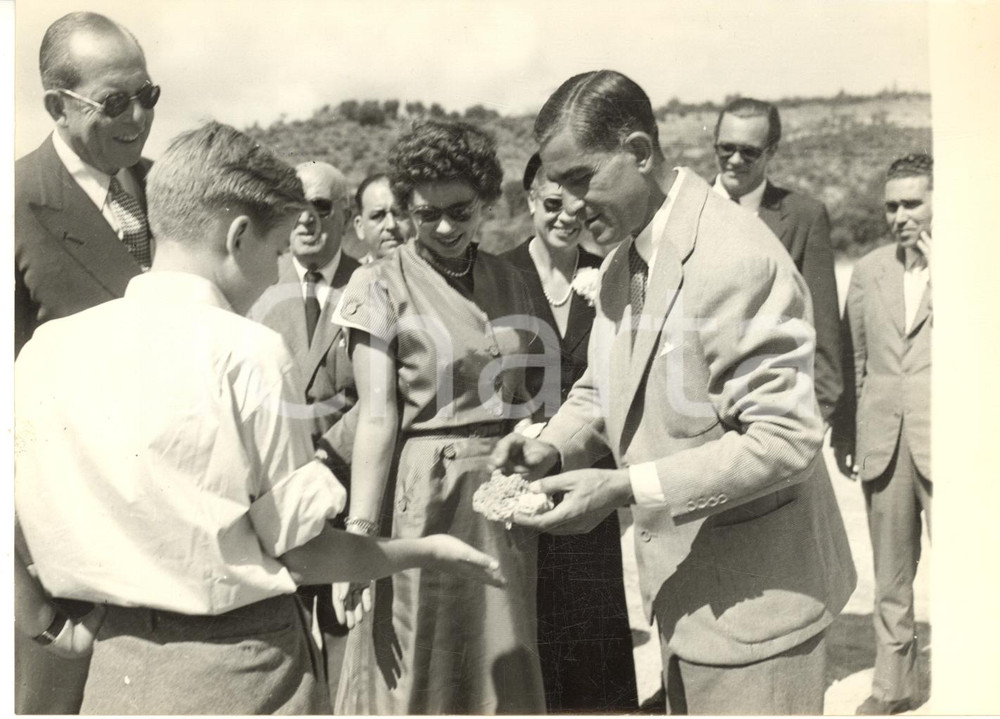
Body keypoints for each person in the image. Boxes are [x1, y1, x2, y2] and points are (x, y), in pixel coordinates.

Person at [13, 121, 506, 715]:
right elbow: (306, 553)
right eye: (276, 252)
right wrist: (425, 551)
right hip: (244, 667)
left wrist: (40, 621)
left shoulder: (48, 348)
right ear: (239, 236)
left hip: (112, 669)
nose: (276, 274)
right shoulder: (246, 350)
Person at [491, 70, 856, 715]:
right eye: (559, 186)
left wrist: (625, 489)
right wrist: (546, 448)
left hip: (759, 616)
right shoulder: (622, 258)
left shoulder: (732, 258)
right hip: (687, 603)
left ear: (637, 151)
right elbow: (605, 384)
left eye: (582, 179)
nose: (570, 207)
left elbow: (787, 440)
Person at [332, 119, 546, 714]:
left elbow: (531, 396)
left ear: (486, 204)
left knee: (498, 662)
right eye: (428, 214)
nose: (447, 227)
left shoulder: (509, 280)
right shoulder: (378, 283)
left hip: (501, 499)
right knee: (417, 664)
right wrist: (359, 542)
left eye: (462, 210)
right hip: (423, 499)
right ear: (405, 209)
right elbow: (376, 419)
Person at [13, 11, 159, 712]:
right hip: (63, 564)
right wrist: (21, 588)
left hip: (172, 550)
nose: (138, 117)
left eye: (148, 96)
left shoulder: (169, 192)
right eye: (115, 102)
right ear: (55, 105)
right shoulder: (15, 205)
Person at [500, 152, 638, 712]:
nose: (564, 218)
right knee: (528, 626)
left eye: (576, 208)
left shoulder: (615, 272)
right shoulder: (497, 276)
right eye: (552, 205)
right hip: (521, 477)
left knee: (594, 626)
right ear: (531, 200)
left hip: (591, 476)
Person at [248, 160, 359, 703]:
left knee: (346, 634)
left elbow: (382, 399)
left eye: (322, 207)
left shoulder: (372, 283)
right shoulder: (254, 287)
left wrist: (328, 454)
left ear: (346, 215)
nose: (307, 220)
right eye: (297, 207)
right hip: (276, 492)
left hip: (351, 481)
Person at [832, 153, 933, 715]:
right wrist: (848, 432)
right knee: (891, 575)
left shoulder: (974, 263)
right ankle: (893, 687)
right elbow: (856, 360)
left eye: (912, 203)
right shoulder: (870, 270)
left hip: (951, 446)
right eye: (891, 205)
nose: (899, 215)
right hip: (884, 444)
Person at [712, 98, 842, 423]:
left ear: (772, 151)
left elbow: (822, 323)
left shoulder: (804, 217)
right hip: (698, 406)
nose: (735, 160)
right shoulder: (685, 210)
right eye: (726, 148)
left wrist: (820, 410)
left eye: (750, 152)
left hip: (775, 406)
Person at [353, 172, 414, 262]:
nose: (391, 225)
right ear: (360, 227)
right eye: (377, 216)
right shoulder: (350, 275)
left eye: (399, 213)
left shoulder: (433, 274)